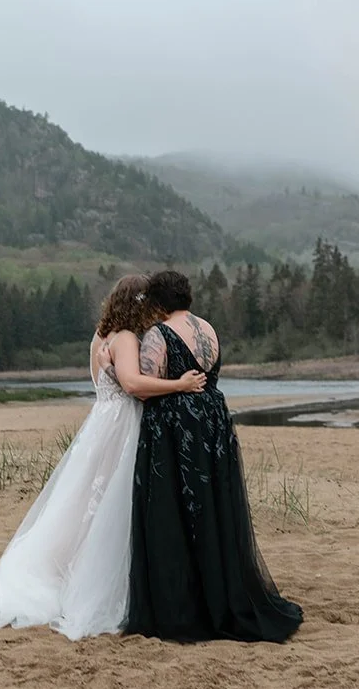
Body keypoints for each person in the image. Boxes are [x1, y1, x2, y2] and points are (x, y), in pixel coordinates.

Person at [0, 275, 206, 640]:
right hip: (121, 427)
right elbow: (133, 386)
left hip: (101, 423)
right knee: (109, 507)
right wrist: (180, 384)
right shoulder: (127, 339)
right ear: (140, 304)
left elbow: (105, 383)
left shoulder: (101, 337)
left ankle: (73, 570)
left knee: (85, 504)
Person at [125, 270, 303, 643]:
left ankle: (184, 606)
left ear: (158, 302)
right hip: (213, 422)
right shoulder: (208, 329)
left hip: (176, 429)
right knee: (212, 508)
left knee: (174, 511)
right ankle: (219, 595)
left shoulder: (158, 335)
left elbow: (144, 388)